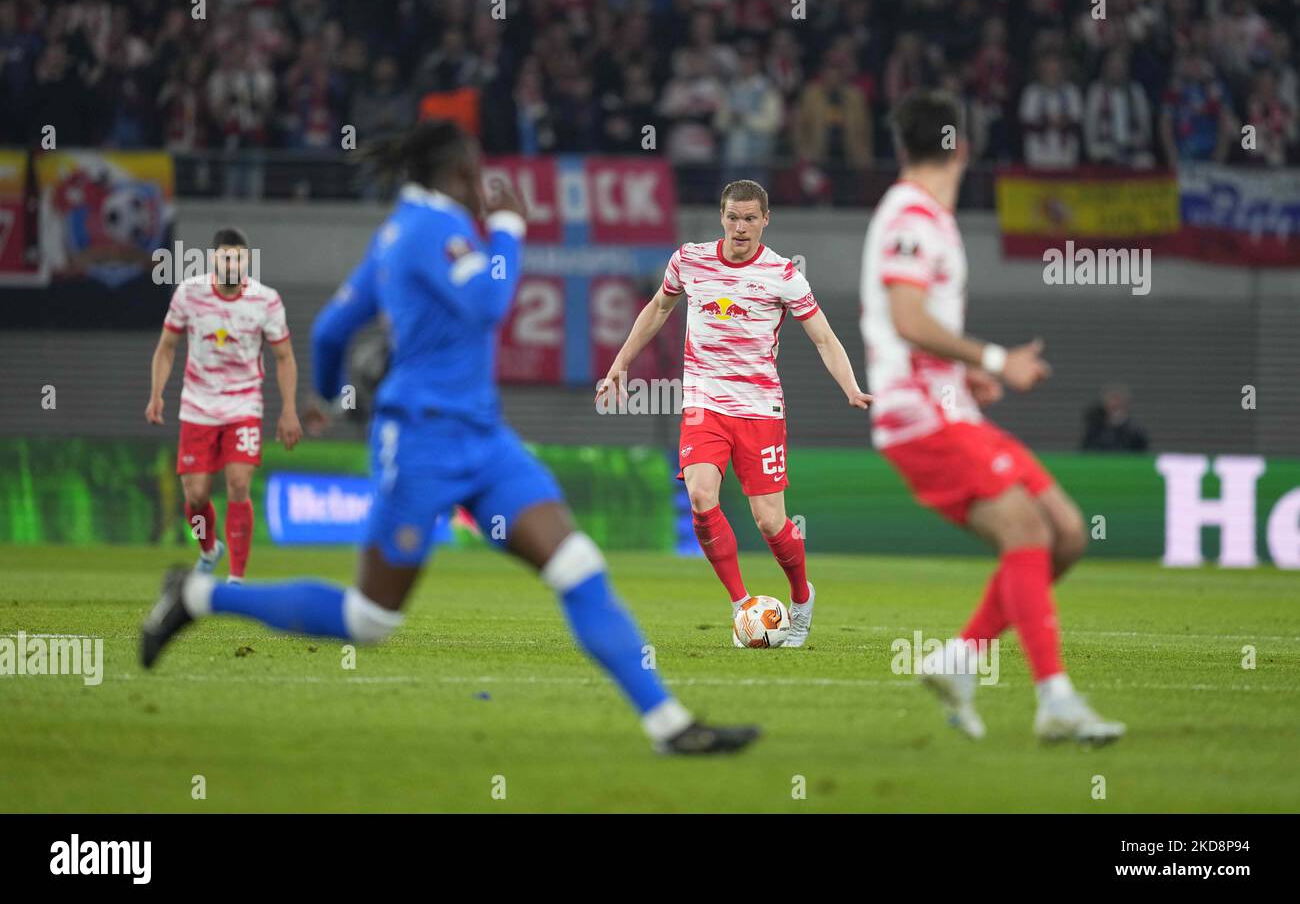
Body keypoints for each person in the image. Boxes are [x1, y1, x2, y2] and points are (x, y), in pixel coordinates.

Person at [140, 121, 759, 756]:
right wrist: (513, 229)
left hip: (485, 441)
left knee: (577, 566)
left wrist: (329, 397)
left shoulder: (399, 233)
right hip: (422, 445)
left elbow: (330, 331)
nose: (483, 181)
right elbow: (490, 303)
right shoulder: (434, 229)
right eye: (477, 168)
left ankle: (670, 726)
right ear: (460, 174)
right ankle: (195, 595)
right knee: (369, 619)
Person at [860, 90, 1125, 744]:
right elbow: (906, 320)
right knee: (1027, 529)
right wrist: (998, 359)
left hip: (947, 402)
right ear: (962, 148)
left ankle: (960, 659)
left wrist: (966, 372)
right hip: (918, 416)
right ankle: (1055, 700)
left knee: (1065, 532)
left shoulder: (929, 218)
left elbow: (917, 330)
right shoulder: (911, 216)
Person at [597, 179, 872, 648]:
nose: (740, 227)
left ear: (766, 220)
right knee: (703, 496)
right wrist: (621, 362)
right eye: (732, 217)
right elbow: (659, 308)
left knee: (769, 522)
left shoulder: (784, 274)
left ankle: (801, 596)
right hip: (704, 402)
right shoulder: (689, 260)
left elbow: (824, 338)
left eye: (750, 218)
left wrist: (850, 386)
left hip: (761, 410)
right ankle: (743, 605)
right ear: (721, 217)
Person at [145, 228, 301, 582]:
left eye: (238, 257)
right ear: (213, 259)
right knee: (196, 497)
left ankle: (237, 576)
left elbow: (285, 356)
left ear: (247, 260)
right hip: (197, 406)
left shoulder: (266, 300)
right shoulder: (189, 293)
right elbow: (167, 346)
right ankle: (209, 548)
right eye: (225, 257)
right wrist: (157, 394)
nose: (231, 263)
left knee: (238, 484)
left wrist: (288, 409)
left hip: (244, 405)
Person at [1081, 384, 1148, 451]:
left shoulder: (1135, 430)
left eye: (1118, 399)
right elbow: (1086, 449)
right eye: (1111, 400)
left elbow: (1142, 451)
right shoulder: (1096, 429)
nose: (1115, 404)